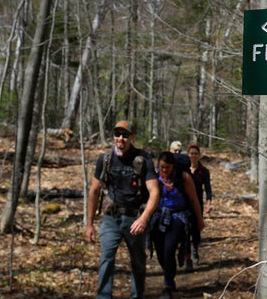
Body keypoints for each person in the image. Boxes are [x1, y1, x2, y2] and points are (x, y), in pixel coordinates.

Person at [85, 120, 160, 299]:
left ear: (132, 137)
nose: (121, 138)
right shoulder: (106, 159)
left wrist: (144, 219)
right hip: (112, 217)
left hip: (135, 218)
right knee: (107, 258)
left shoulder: (143, 159)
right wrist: (89, 224)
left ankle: (137, 295)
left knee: (138, 262)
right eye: (117, 134)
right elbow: (94, 191)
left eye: (125, 135)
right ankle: (103, 296)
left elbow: (155, 192)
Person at [150, 151, 205, 299]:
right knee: (160, 251)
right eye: (161, 167)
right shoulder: (155, 177)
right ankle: (170, 274)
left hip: (178, 217)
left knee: (169, 248)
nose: (164, 170)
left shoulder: (184, 178)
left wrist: (199, 220)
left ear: (173, 166)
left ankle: (167, 285)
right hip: (159, 216)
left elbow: (194, 200)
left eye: (167, 167)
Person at [185, 143, 212, 271]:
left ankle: (194, 249)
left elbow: (208, 188)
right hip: (184, 204)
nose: (194, 156)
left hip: (197, 204)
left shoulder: (204, 171)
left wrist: (209, 203)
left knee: (196, 230)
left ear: (199, 155)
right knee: (184, 230)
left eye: (196, 153)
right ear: (188, 155)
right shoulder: (183, 170)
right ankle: (187, 258)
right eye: (191, 153)